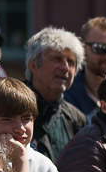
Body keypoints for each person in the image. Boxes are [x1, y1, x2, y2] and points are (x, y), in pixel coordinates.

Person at [19, 26, 89, 161]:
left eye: (71, 62)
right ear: (34, 65)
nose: (65, 68)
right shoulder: (10, 107)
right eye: (57, 59)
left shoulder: (76, 119)